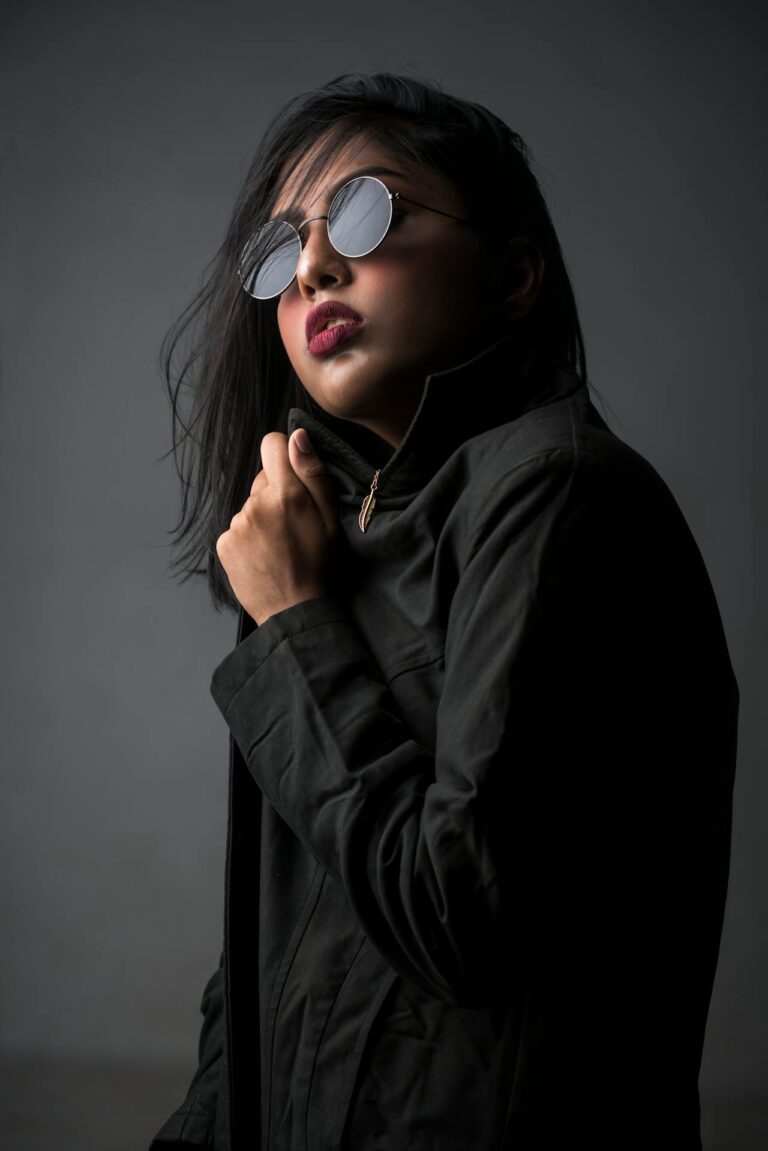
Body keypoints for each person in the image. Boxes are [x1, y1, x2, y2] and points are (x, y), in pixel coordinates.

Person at [148, 71, 739, 1151]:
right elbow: (260, 963)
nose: (314, 266)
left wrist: (295, 626)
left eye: (365, 213)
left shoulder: (561, 492)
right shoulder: (318, 535)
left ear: (512, 275)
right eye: (282, 248)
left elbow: (460, 917)